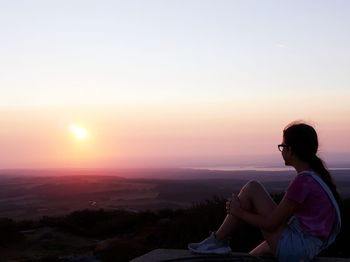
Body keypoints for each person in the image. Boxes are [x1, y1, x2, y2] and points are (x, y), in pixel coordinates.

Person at [188, 122, 341, 262]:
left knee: (252, 188)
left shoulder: (303, 182)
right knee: (252, 257)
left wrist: (238, 211)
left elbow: (270, 224)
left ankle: (218, 240)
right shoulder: (316, 176)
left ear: (290, 150)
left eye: (282, 146)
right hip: (308, 245)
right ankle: (218, 240)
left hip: (298, 248)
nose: (281, 150)